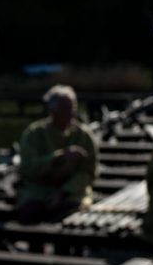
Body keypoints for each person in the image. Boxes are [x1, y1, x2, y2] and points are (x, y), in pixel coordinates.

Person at [15, 84, 98, 224]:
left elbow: (88, 172)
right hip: (38, 189)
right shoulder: (34, 133)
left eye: (72, 109)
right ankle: (35, 245)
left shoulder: (83, 135)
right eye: (65, 109)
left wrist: (64, 192)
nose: (70, 114)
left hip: (73, 192)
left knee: (72, 216)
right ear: (52, 110)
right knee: (29, 212)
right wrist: (59, 157)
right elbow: (27, 168)